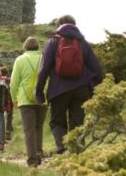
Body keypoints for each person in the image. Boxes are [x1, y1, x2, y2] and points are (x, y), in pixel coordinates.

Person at [36, 15, 104, 154]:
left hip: (58, 90)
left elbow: (44, 69)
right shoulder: (83, 42)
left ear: (59, 25)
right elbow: (96, 69)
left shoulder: (53, 41)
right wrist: (94, 89)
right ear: (74, 25)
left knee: (57, 122)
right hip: (81, 89)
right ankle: (77, 152)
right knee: (78, 123)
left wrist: (39, 92)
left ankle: (62, 148)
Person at [10, 36, 48, 167]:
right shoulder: (44, 58)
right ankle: (38, 153)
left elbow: (14, 83)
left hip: (25, 100)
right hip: (42, 98)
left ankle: (32, 160)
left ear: (25, 46)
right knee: (39, 127)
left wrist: (14, 98)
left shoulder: (19, 60)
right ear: (38, 46)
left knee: (29, 130)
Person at [0, 66, 13, 151]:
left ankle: (1, 140)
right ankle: (8, 133)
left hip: (0, 102)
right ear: (7, 72)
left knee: (2, 119)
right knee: (9, 116)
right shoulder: (8, 80)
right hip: (9, 100)